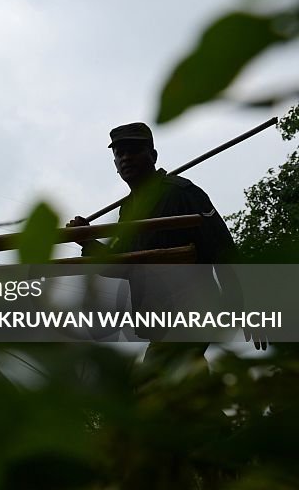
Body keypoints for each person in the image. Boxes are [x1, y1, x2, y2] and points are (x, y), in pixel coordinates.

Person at [67, 122, 264, 356]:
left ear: (153, 155)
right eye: (120, 154)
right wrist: (86, 240)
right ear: (115, 165)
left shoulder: (182, 193)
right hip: (159, 320)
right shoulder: (128, 210)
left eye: (134, 151)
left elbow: (224, 250)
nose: (126, 158)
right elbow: (123, 264)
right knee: (184, 386)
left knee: (153, 383)